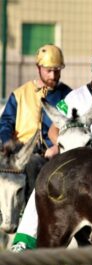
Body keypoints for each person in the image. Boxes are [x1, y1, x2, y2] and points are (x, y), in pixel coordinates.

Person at [10, 45, 92, 253]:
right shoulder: (76, 98)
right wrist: (59, 144)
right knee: (44, 182)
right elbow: (54, 129)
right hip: (78, 164)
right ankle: (24, 239)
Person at [0, 44, 71, 202]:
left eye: (57, 70)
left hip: (55, 156)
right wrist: (7, 144)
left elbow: (74, 129)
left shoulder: (68, 96)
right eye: (48, 70)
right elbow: (5, 123)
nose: (53, 76)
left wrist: (58, 147)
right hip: (21, 153)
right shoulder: (19, 94)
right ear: (38, 68)